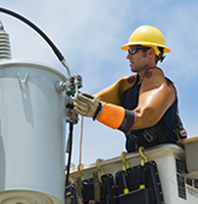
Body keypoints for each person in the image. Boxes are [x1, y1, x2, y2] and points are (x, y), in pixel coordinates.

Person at [73, 25, 186, 153]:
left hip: (164, 162)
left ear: (150, 53)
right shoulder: (127, 86)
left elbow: (143, 117)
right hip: (137, 161)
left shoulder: (163, 88)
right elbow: (93, 100)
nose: (127, 56)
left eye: (132, 50)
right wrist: (73, 105)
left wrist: (99, 110)